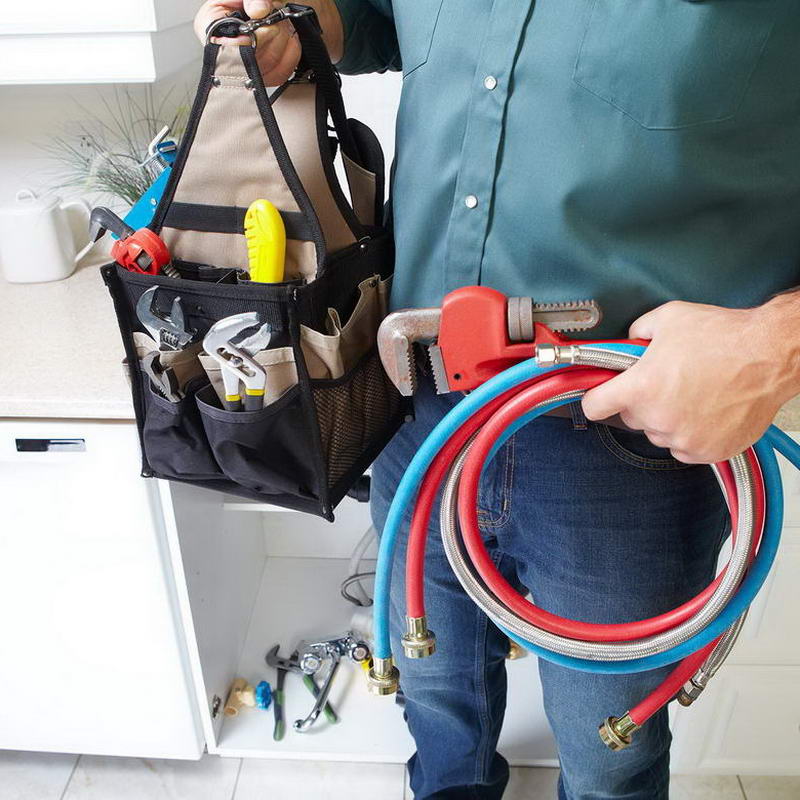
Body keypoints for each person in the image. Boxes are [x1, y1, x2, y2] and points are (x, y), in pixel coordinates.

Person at [195, 3, 800, 798]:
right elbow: (379, 18)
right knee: (433, 694)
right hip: (420, 403)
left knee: (610, 756)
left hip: (635, 439)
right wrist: (303, 22)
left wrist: (777, 343)